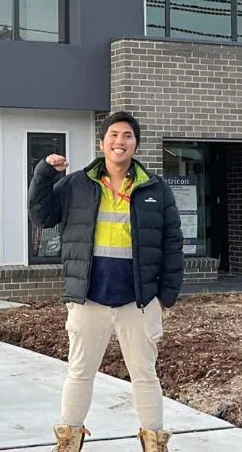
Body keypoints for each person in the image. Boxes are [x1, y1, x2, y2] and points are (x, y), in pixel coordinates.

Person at [27, 111, 185, 452]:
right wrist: (44, 174)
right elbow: (42, 215)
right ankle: (68, 442)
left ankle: (155, 443)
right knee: (79, 372)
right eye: (113, 135)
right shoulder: (77, 184)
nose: (119, 141)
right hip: (88, 297)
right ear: (102, 143)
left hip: (138, 300)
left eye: (127, 135)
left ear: (135, 144)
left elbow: (172, 243)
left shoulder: (155, 189)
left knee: (145, 375)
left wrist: (165, 296)